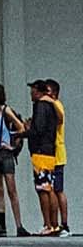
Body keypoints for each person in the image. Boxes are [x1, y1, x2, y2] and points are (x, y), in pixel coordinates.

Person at [0, 83, 29, 237]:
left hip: (5, 153)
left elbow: (21, 127)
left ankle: (19, 225)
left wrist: (12, 145)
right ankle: (1, 224)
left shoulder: (6, 111)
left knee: (12, 190)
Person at [26, 81, 62, 236]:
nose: (31, 94)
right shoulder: (52, 106)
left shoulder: (40, 106)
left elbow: (38, 129)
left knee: (42, 189)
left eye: (33, 91)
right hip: (50, 151)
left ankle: (48, 224)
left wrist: (26, 131)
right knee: (50, 188)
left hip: (40, 151)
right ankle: (54, 224)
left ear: (39, 92)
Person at [51, 78, 69, 238]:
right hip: (54, 152)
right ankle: (55, 224)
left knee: (58, 190)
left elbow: (60, 118)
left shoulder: (57, 105)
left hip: (57, 153)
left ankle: (63, 224)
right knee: (53, 190)